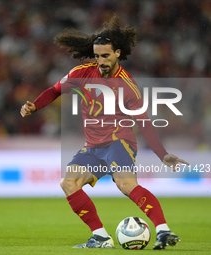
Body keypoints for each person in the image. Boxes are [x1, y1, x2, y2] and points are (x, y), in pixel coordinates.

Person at [20, 15, 189, 250]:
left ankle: (163, 230)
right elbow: (54, 90)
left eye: (106, 55)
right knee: (69, 183)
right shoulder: (81, 73)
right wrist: (34, 105)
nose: (101, 61)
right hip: (93, 146)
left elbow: (144, 122)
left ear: (118, 53)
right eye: (97, 56)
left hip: (119, 143)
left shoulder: (127, 86)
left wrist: (162, 155)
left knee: (126, 186)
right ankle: (101, 237)